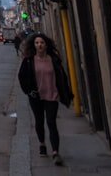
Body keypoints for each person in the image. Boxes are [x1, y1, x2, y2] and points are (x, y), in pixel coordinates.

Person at [18, 33, 73, 166]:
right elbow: (22, 77)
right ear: (34, 45)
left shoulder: (53, 59)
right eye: (37, 43)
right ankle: (42, 143)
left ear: (46, 44)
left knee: (51, 122)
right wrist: (29, 91)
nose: (39, 45)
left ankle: (55, 152)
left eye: (42, 42)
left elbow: (62, 76)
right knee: (39, 121)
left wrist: (64, 92)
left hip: (52, 95)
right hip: (36, 96)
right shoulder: (29, 60)